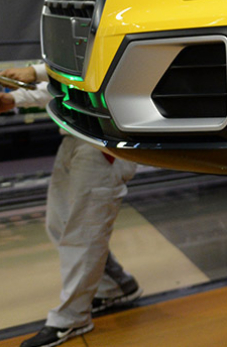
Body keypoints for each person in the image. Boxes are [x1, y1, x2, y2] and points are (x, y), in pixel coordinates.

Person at [1, 64, 141, 347]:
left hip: (105, 144)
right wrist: (14, 99)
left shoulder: (112, 24)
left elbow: (98, 70)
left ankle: (72, 318)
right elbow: (65, 89)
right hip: (74, 137)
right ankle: (116, 286)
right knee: (60, 223)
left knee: (83, 235)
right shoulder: (72, 32)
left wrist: (37, 71)